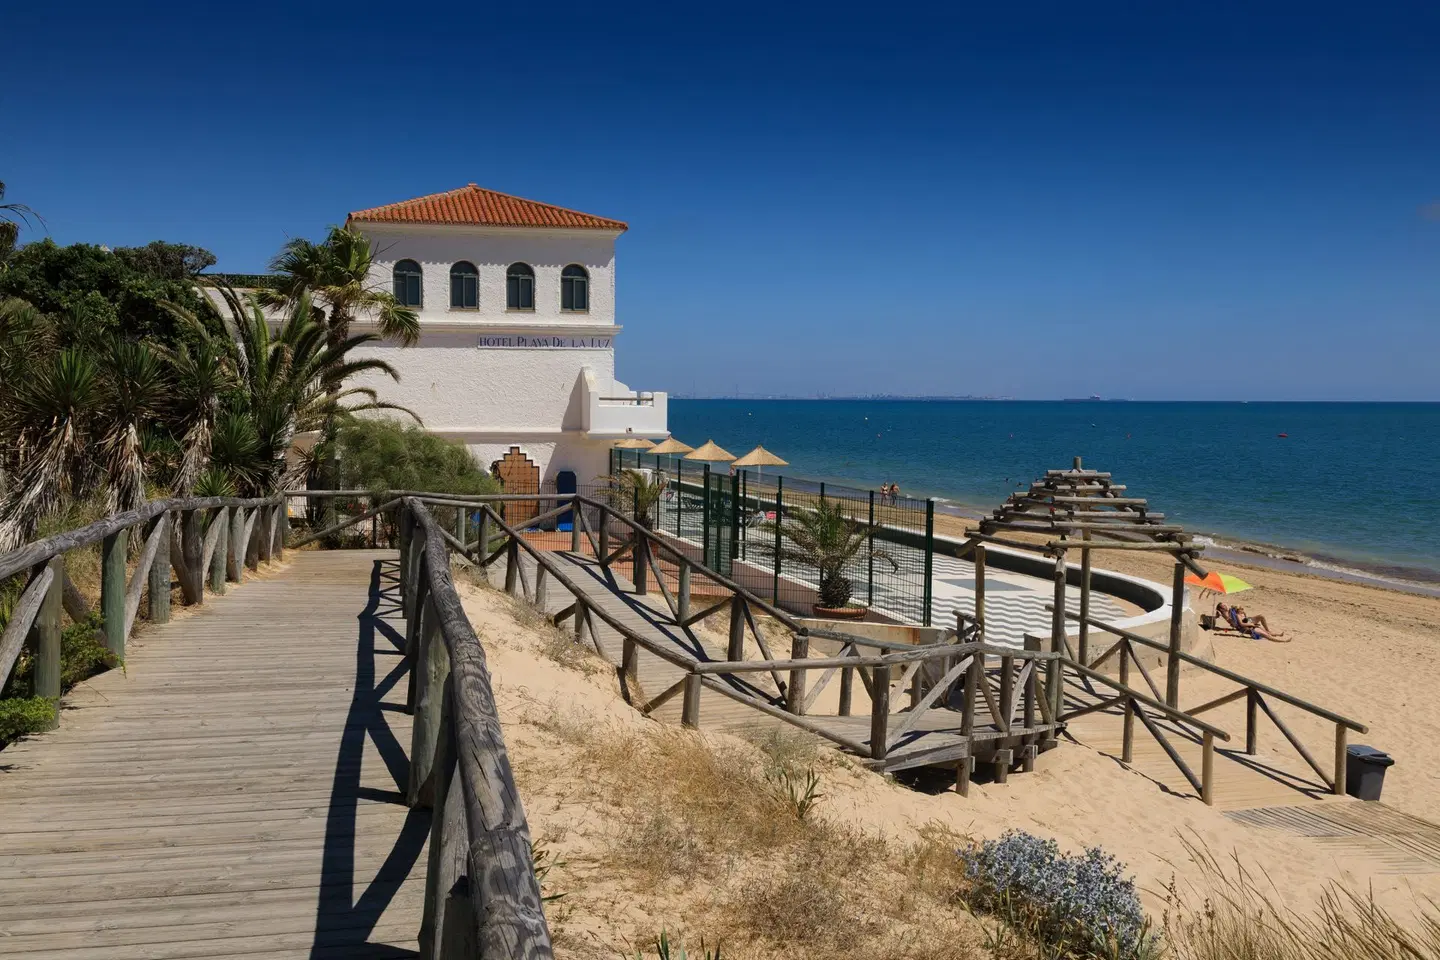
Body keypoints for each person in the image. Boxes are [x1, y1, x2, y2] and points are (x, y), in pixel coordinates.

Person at [1216, 602, 1288, 642]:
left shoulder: (1231, 610)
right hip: (1244, 624)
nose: (1225, 605)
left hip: (1247, 620)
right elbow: (1235, 624)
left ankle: (1269, 631)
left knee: (1261, 616)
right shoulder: (1226, 615)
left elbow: (1242, 614)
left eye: (1224, 605)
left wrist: (1242, 613)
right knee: (1261, 632)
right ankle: (1274, 636)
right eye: (1223, 606)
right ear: (1221, 609)